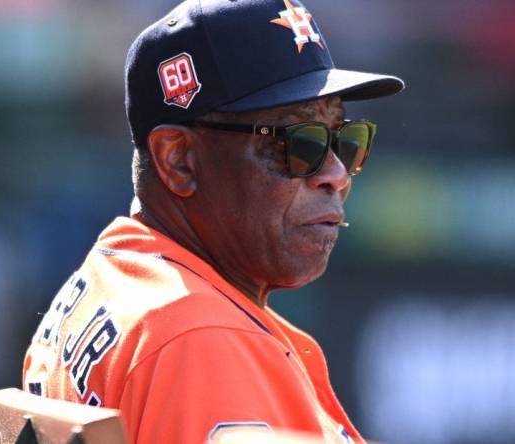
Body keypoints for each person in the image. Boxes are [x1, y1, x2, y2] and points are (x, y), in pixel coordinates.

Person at [21, 0, 403, 443]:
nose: (335, 174)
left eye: (345, 139)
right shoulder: (200, 339)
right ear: (179, 160)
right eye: (298, 142)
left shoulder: (117, 269)